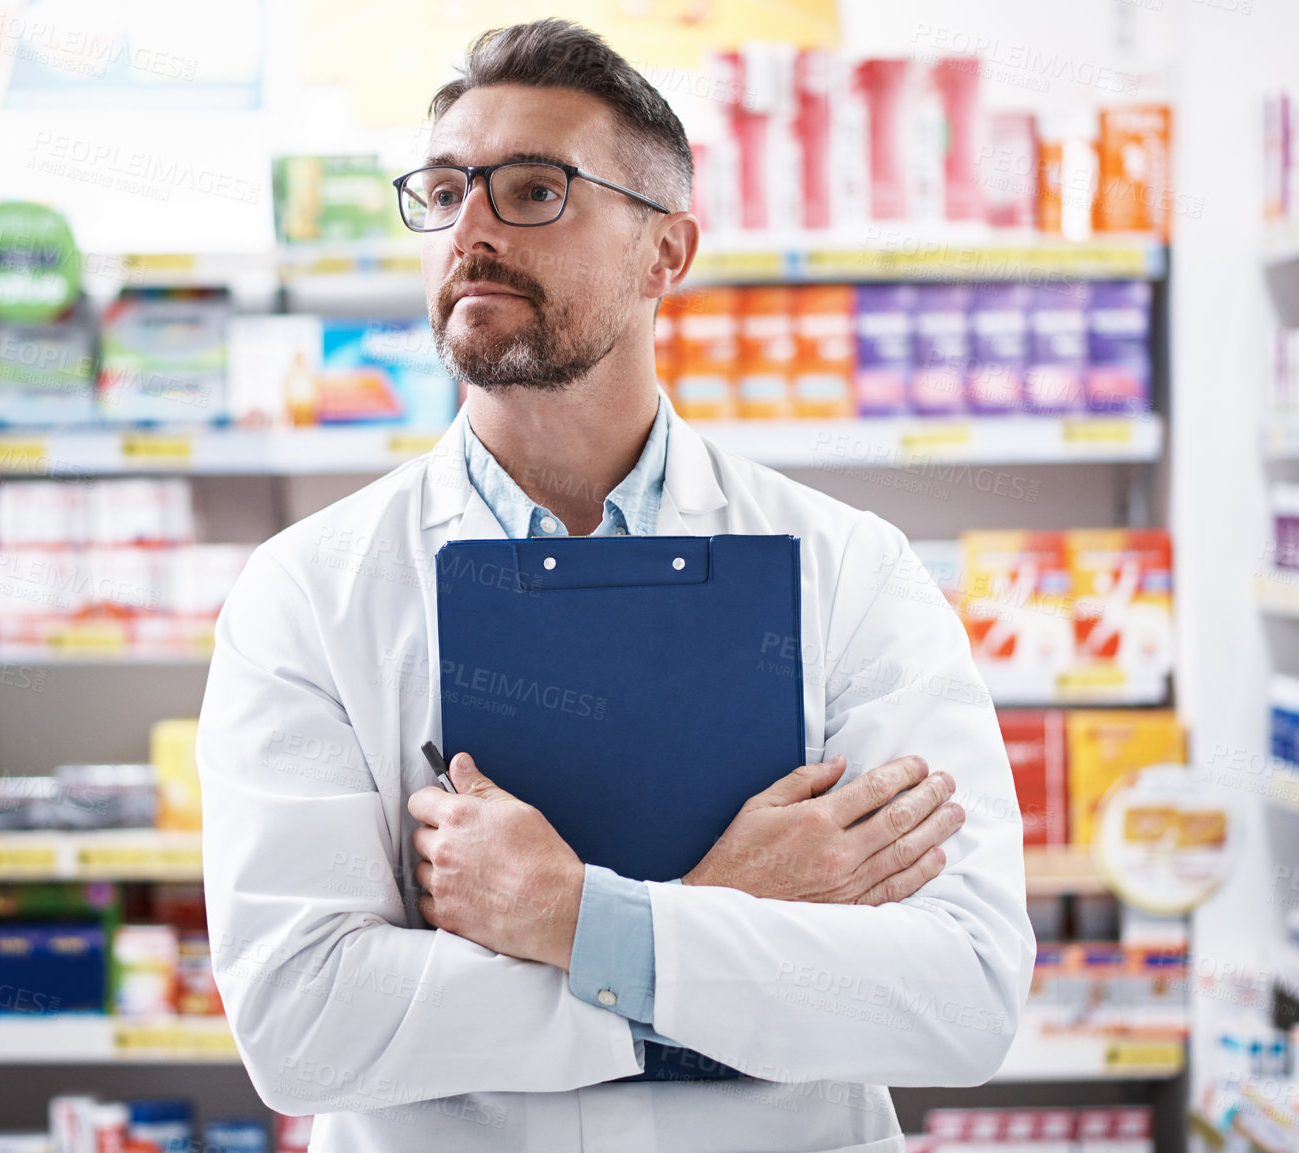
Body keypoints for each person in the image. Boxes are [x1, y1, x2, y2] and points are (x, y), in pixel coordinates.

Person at [198, 19, 1035, 1153]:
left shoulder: (850, 571)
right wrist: (712, 918)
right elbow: (304, 1025)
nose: (472, 231)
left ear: (667, 254)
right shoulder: (308, 591)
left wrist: (569, 915)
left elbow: (962, 996)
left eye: (533, 190)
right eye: (445, 192)